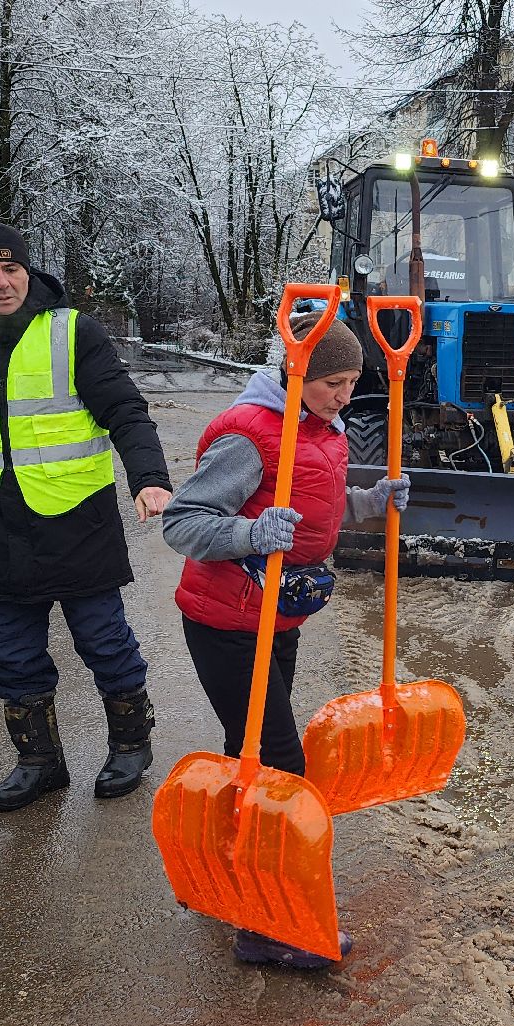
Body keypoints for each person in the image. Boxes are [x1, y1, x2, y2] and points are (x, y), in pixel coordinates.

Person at [160, 312, 408, 970]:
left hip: (278, 618)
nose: (346, 396)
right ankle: (266, 926)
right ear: (297, 373)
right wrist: (248, 535)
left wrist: (369, 500)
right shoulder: (251, 434)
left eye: (353, 382)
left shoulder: (323, 427)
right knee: (280, 765)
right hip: (227, 623)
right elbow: (184, 524)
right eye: (334, 382)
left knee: (248, 752)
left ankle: (229, 870)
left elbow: (312, 505)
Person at [0, 221, 172, 812]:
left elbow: (126, 412)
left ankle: (132, 744)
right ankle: (39, 761)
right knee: (12, 652)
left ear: (28, 272)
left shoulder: (72, 331)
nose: (1, 282)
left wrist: (150, 479)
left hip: (78, 519)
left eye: (11, 269)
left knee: (104, 641)